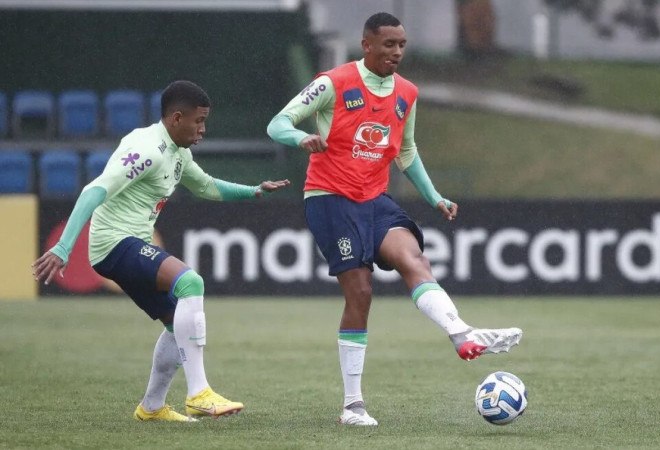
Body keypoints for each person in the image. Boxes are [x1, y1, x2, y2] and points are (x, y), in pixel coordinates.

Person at [267, 12, 522, 426]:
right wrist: (301, 137)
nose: (397, 52)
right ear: (367, 44)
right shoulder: (332, 82)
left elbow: (405, 151)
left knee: (414, 259)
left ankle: (461, 335)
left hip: (375, 198)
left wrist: (434, 196)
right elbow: (277, 123)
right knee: (362, 292)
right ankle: (352, 405)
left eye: (402, 45)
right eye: (389, 44)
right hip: (330, 198)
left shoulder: (407, 92)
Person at [32, 80, 290, 422]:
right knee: (191, 282)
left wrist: (253, 191)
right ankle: (199, 392)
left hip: (133, 243)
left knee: (175, 324)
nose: (202, 130)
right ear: (176, 118)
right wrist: (64, 247)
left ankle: (152, 407)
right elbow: (95, 190)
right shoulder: (147, 148)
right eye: (198, 122)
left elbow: (207, 186)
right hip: (114, 243)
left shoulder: (179, 152)